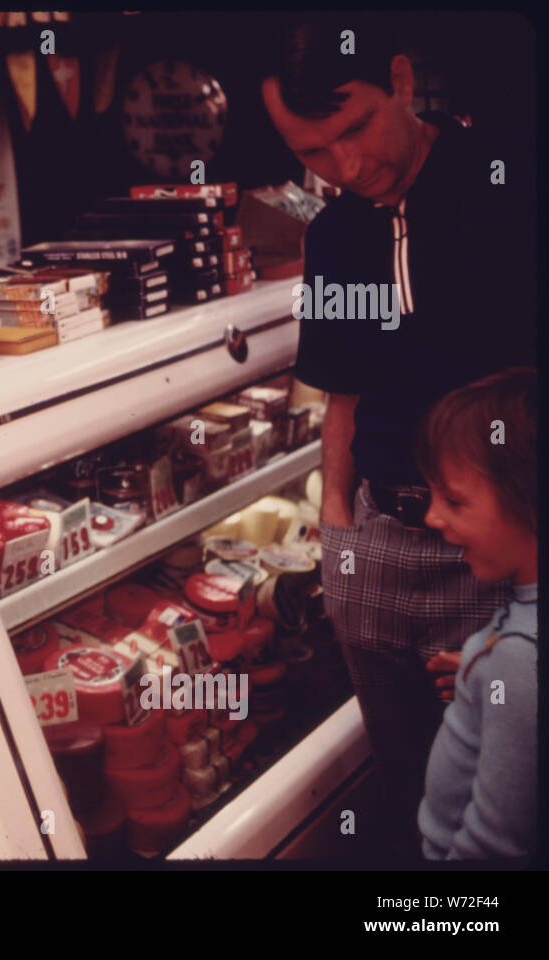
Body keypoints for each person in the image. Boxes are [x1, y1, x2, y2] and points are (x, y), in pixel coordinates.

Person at [260, 16, 533, 854]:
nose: (346, 167)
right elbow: (342, 398)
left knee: (503, 799)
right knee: (412, 777)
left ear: (404, 83)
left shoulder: (512, 188)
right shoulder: (335, 236)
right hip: (378, 541)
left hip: (500, 551)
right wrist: (340, 538)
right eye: (312, 153)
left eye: (355, 128)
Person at [414, 367, 536, 859]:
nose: (431, 516)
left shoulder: (522, 661)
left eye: (454, 500)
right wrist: (477, 666)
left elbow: (493, 847)